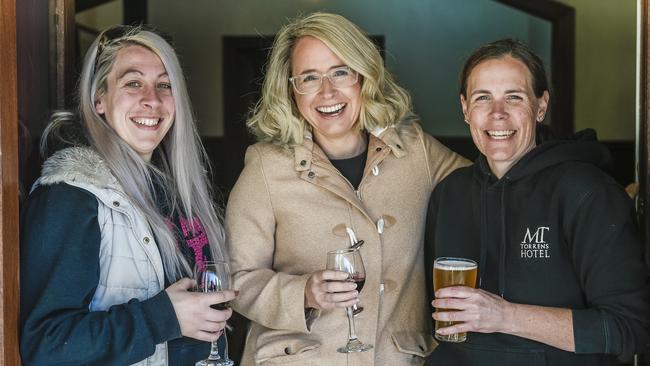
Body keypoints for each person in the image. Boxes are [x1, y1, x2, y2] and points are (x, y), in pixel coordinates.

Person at [225, 12, 468, 365]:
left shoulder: (415, 150)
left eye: (341, 72)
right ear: (292, 91)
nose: (327, 92)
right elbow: (238, 279)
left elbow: (487, 188)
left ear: (364, 78)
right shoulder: (266, 165)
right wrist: (303, 292)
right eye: (309, 77)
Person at [425, 39, 650, 365]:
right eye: (482, 98)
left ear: (541, 106)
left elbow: (629, 328)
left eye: (513, 97)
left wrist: (504, 316)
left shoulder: (587, 193)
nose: (497, 113)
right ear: (464, 109)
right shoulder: (448, 195)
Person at [20, 25, 236, 365]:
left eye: (165, 85)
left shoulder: (182, 196)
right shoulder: (71, 197)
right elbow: (47, 346)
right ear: (99, 100)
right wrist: (161, 317)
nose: (152, 99)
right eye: (133, 83)